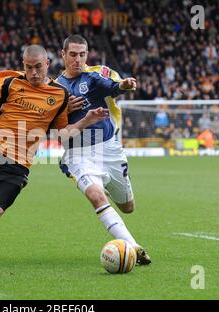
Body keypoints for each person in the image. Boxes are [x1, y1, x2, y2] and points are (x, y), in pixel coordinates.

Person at [0, 44, 108, 267]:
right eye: (28, 67)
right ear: (23, 65)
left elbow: (62, 135)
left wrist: (87, 120)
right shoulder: (9, 81)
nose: (34, 73)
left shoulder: (60, 94)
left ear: (47, 64)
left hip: (18, 164)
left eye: (38, 67)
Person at [56, 35, 151, 265]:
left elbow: (113, 87)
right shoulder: (55, 89)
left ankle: (104, 184)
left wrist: (123, 85)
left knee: (128, 207)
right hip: (78, 154)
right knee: (96, 196)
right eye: (72, 54)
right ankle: (134, 248)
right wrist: (67, 110)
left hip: (109, 150)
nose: (77, 59)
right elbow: (59, 134)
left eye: (82, 54)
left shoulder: (93, 77)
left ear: (87, 55)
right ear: (63, 54)